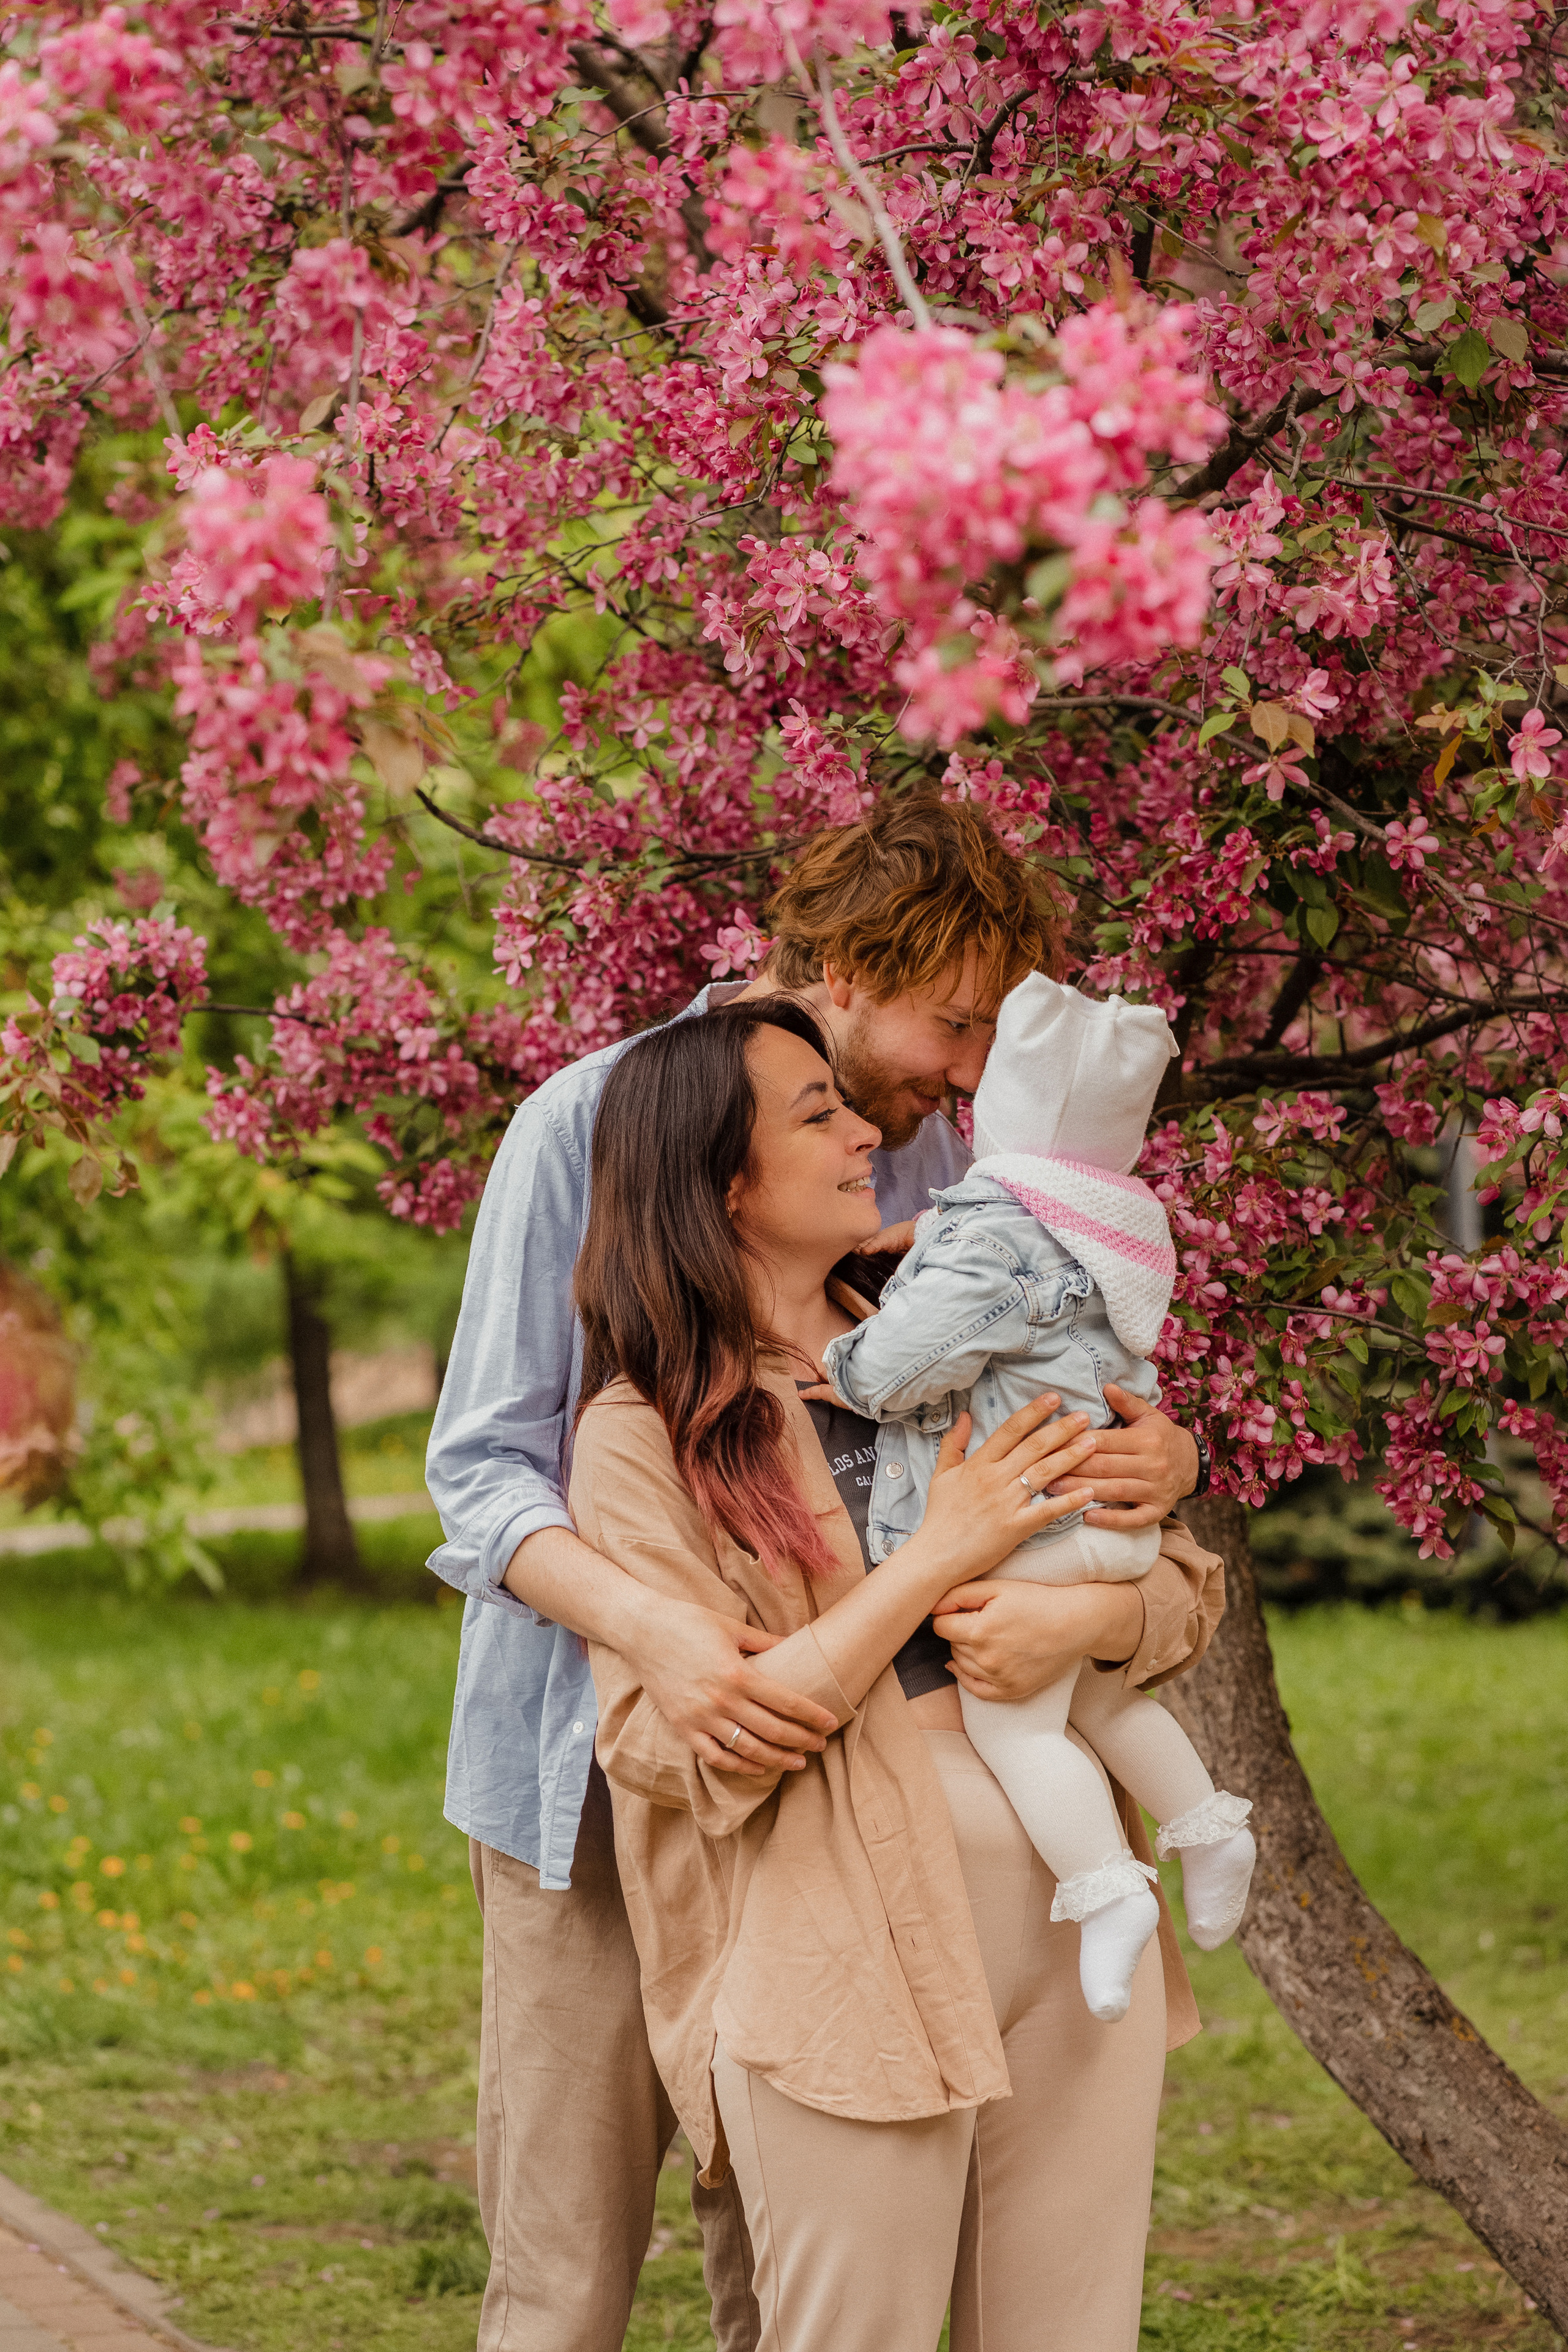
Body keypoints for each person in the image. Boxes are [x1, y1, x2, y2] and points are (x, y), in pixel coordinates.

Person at [424, 796, 1211, 2352]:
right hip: (592, 1775)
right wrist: (668, 1634)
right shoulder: (592, 1125)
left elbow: (1030, 1420)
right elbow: (479, 1468)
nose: (967, 1072)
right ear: (841, 969)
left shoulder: (925, 1165)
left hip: (851, 1816)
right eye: (951, 1021)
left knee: (786, 2261)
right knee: (570, 2261)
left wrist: (1157, 1467)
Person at [570, 996, 1224, 2351]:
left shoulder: (980, 1330)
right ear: (720, 1178)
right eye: (815, 1114)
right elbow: (684, 1747)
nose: (865, 1129)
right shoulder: (646, 1434)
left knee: (1070, 2332)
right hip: (846, 1951)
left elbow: (1175, 1592)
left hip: (1075, 1912)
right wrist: (937, 1559)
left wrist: (1089, 1628)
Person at [823, 972, 1256, 2024]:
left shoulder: (989, 1235)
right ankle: (1206, 1824)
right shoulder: (1108, 1227)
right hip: (1114, 1536)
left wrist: (841, 1355)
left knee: (1018, 1732)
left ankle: (1108, 1892)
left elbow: (895, 1371)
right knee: (1105, 1701)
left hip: (1037, 1534)